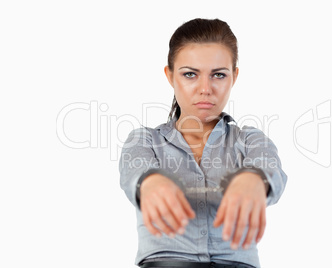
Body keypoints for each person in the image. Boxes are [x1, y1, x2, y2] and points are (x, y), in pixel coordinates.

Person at [119, 18, 287, 268]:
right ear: (170, 76)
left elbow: (269, 164)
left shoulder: (250, 139)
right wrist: (149, 182)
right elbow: (135, 169)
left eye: (218, 75)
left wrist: (255, 178)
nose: (205, 89)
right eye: (190, 74)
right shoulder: (145, 140)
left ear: (234, 77)